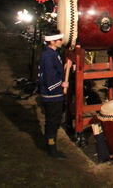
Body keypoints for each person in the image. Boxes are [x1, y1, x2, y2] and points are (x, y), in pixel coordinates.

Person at [38, 29, 69, 159]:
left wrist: (64, 68)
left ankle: (51, 147)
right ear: (52, 41)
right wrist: (62, 83)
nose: (61, 41)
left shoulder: (52, 54)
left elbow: (54, 70)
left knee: (54, 121)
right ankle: (51, 149)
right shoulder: (48, 56)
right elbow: (50, 77)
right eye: (59, 40)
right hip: (52, 95)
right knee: (52, 122)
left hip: (55, 95)